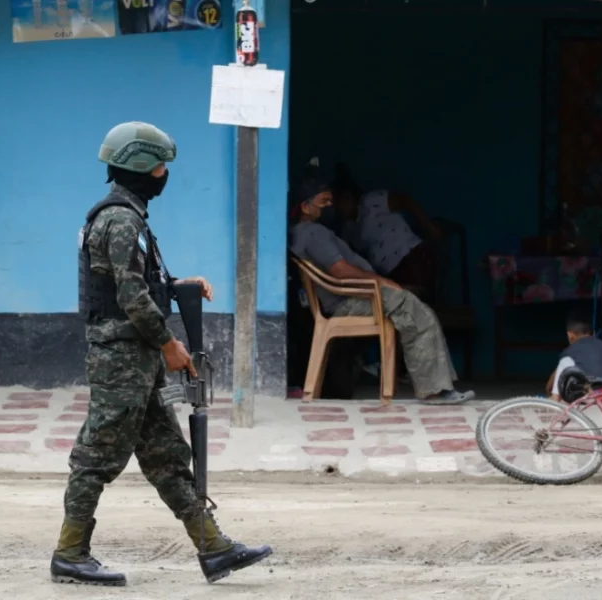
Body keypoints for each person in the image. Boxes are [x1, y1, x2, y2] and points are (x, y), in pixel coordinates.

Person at [51, 122, 272, 587]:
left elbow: (131, 285)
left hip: (135, 356)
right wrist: (169, 345)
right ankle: (70, 553)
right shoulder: (121, 221)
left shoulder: (127, 218)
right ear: (142, 167)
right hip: (122, 358)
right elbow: (131, 300)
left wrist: (177, 287)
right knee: (98, 453)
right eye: (160, 165)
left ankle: (213, 548)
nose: (164, 173)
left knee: (168, 456)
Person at [290, 167, 474, 405]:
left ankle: (434, 386)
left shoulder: (303, 232)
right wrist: (381, 281)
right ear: (305, 207)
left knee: (412, 306)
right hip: (347, 302)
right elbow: (340, 270)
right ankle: (435, 390)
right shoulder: (313, 233)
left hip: (349, 299)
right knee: (412, 308)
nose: (330, 207)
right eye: (324, 201)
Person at [331, 162, 443, 297]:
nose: (338, 209)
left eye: (339, 203)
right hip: (390, 274)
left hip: (413, 258)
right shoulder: (348, 228)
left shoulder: (371, 202)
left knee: (406, 303)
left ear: (348, 197)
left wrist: (429, 227)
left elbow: (405, 201)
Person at [546, 313, 602, 402]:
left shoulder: (569, 350)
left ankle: (555, 401)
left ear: (570, 335)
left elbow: (555, 375)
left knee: (565, 362)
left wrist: (547, 389)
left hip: (587, 395)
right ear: (593, 333)